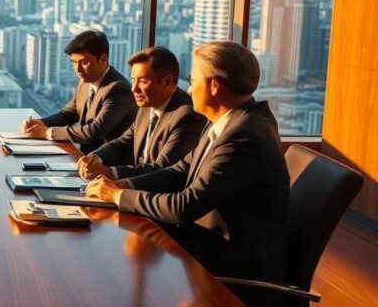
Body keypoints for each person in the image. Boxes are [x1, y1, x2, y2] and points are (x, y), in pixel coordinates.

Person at [85, 40, 290, 286]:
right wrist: (122, 185)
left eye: (193, 80)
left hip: (231, 267)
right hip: (207, 244)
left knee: (110, 268)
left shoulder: (243, 136)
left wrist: (119, 197)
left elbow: (184, 206)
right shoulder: (229, 122)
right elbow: (179, 171)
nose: (189, 90)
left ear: (213, 85)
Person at [78, 46, 206, 180]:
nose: (134, 89)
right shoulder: (147, 105)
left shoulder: (187, 116)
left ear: (167, 81)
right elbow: (123, 143)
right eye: (133, 80)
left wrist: (110, 172)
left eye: (143, 81)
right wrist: (94, 158)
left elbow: (163, 169)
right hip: (132, 185)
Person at [21, 30, 137, 154]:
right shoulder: (85, 82)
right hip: (85, 159)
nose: (78, 69)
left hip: (110, 165)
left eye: (84, 62)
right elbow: (68, 114)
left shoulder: (118, 89)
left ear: (103, 59)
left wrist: (46, 132)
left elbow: (94, 132)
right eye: (74, 63)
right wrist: (40, 123)